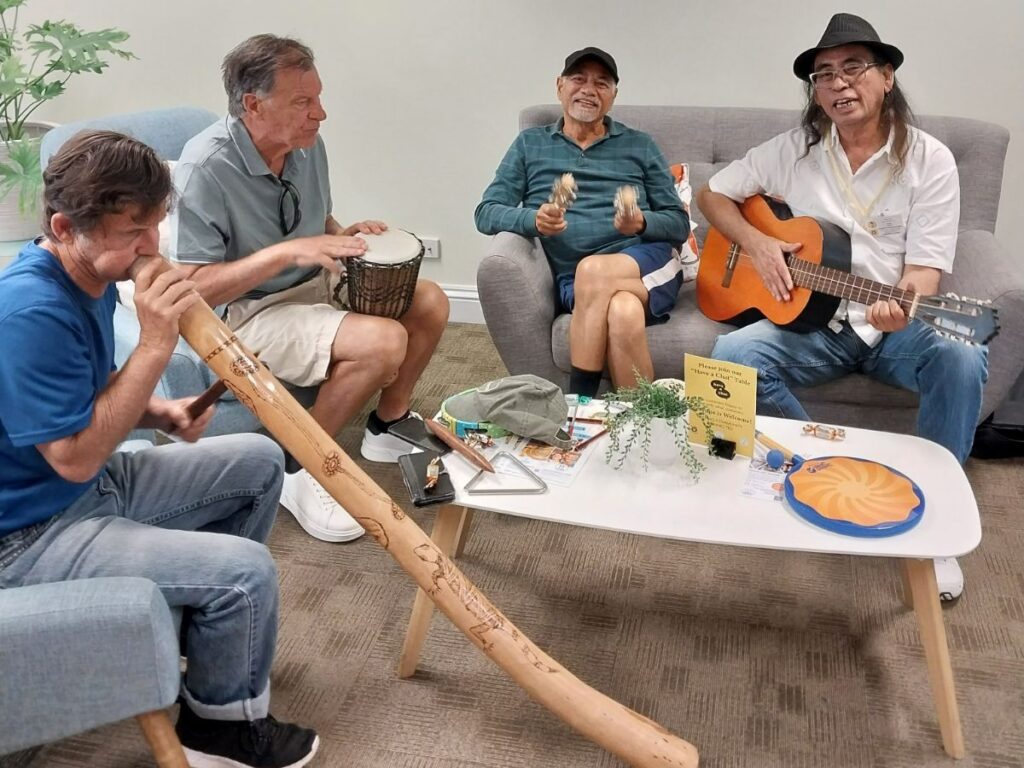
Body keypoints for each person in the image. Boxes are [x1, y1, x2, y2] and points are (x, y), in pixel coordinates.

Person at [0, 131, 318, 767]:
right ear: (64, 227)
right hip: (28, 533)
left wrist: (156, 411)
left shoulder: (86, 276)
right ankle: (219, 733)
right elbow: (74, 456)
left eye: (156, 227)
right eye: (131, 234)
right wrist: (153, 343)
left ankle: (201, 645)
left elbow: (76, 402)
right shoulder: (28, 310)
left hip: (81, 489)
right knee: (245, 575)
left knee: (257, 463)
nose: (151, 249)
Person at [696, 13, 988, 602]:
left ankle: (935, 537)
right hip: (816, 327)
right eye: (824, 74)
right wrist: (754, 241)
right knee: (730, 354)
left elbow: (925, 271)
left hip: (895, 328)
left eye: (853, 67)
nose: (838, 83)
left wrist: (904, 308)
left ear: (887, 76)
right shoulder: (794, 150)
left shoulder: (930, 160)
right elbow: (712, 193)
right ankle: (820, 471)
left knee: (962, 353)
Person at [169, 34, 450, 544]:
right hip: (248, 312)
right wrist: (284, 254)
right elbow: (192, 291)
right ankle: (303, 470)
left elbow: (311, 216)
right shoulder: (203, 168)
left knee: (429, 300)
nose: (320, 114)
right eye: (303, 101)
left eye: (318, 98)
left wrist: (341, 236)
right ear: (253, 105)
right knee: (384, 341)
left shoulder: (304, 145)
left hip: (314, 282)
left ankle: (386, 425)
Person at [475, 46, 689, 396]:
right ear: (559, 86)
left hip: (646, 262)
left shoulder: (639, 145)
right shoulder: (530, 144)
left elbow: (678, 225)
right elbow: (486, 212)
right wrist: (534, 220)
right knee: (622, 311)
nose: (589, 89)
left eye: (602, 83)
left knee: (593, 270)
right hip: (573, 280)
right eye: (579, 79)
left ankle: (577, 406)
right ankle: (641, 428)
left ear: (613, 96)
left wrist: (641, 224)